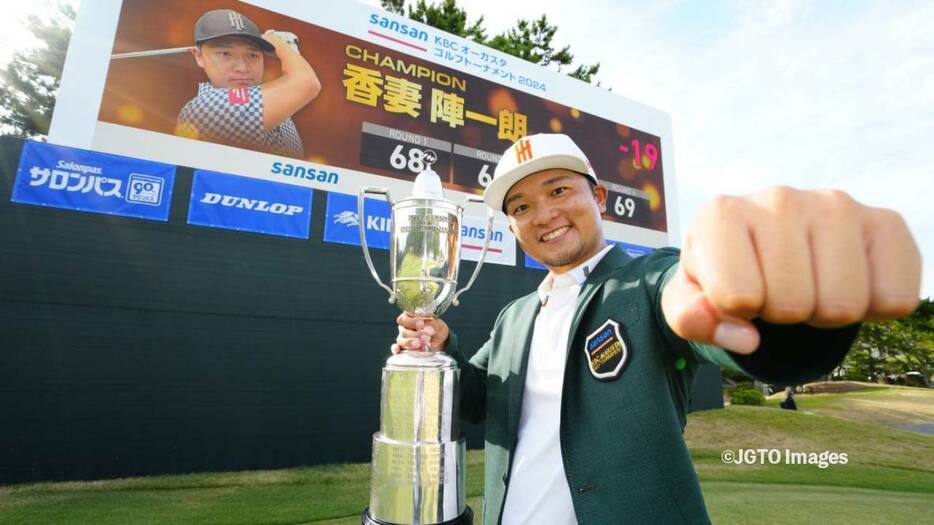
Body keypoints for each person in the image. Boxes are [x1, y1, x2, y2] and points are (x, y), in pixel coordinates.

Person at [393, 133, 921, 524]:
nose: (543, 214)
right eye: (522, 206)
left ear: (598, 198)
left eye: (559, 191)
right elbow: (478, 401)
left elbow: (696, 310)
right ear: (512, 227)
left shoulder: (650, 279)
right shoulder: (515, 317)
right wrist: (442, 352)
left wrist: (778, 310)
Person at [176, 9, 321, 158]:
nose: (242, 68)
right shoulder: (207, 107)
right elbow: (307, 83)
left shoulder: (270, 101)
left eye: (252, 55)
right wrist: (281, 45)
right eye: (225, 53)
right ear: (199, 56)